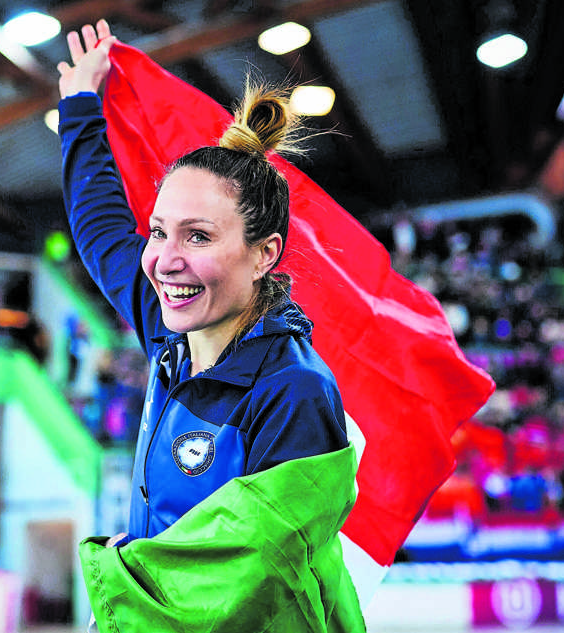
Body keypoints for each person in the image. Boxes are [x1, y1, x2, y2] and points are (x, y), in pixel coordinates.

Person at [57, 20, 363, 631]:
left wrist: (118, 581)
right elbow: (101, 231)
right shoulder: (173, 332)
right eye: (159, 231)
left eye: (198, 236)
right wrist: (79, 108)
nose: (165, 260)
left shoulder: (293, 391)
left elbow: (251, 578)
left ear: (264, 254)